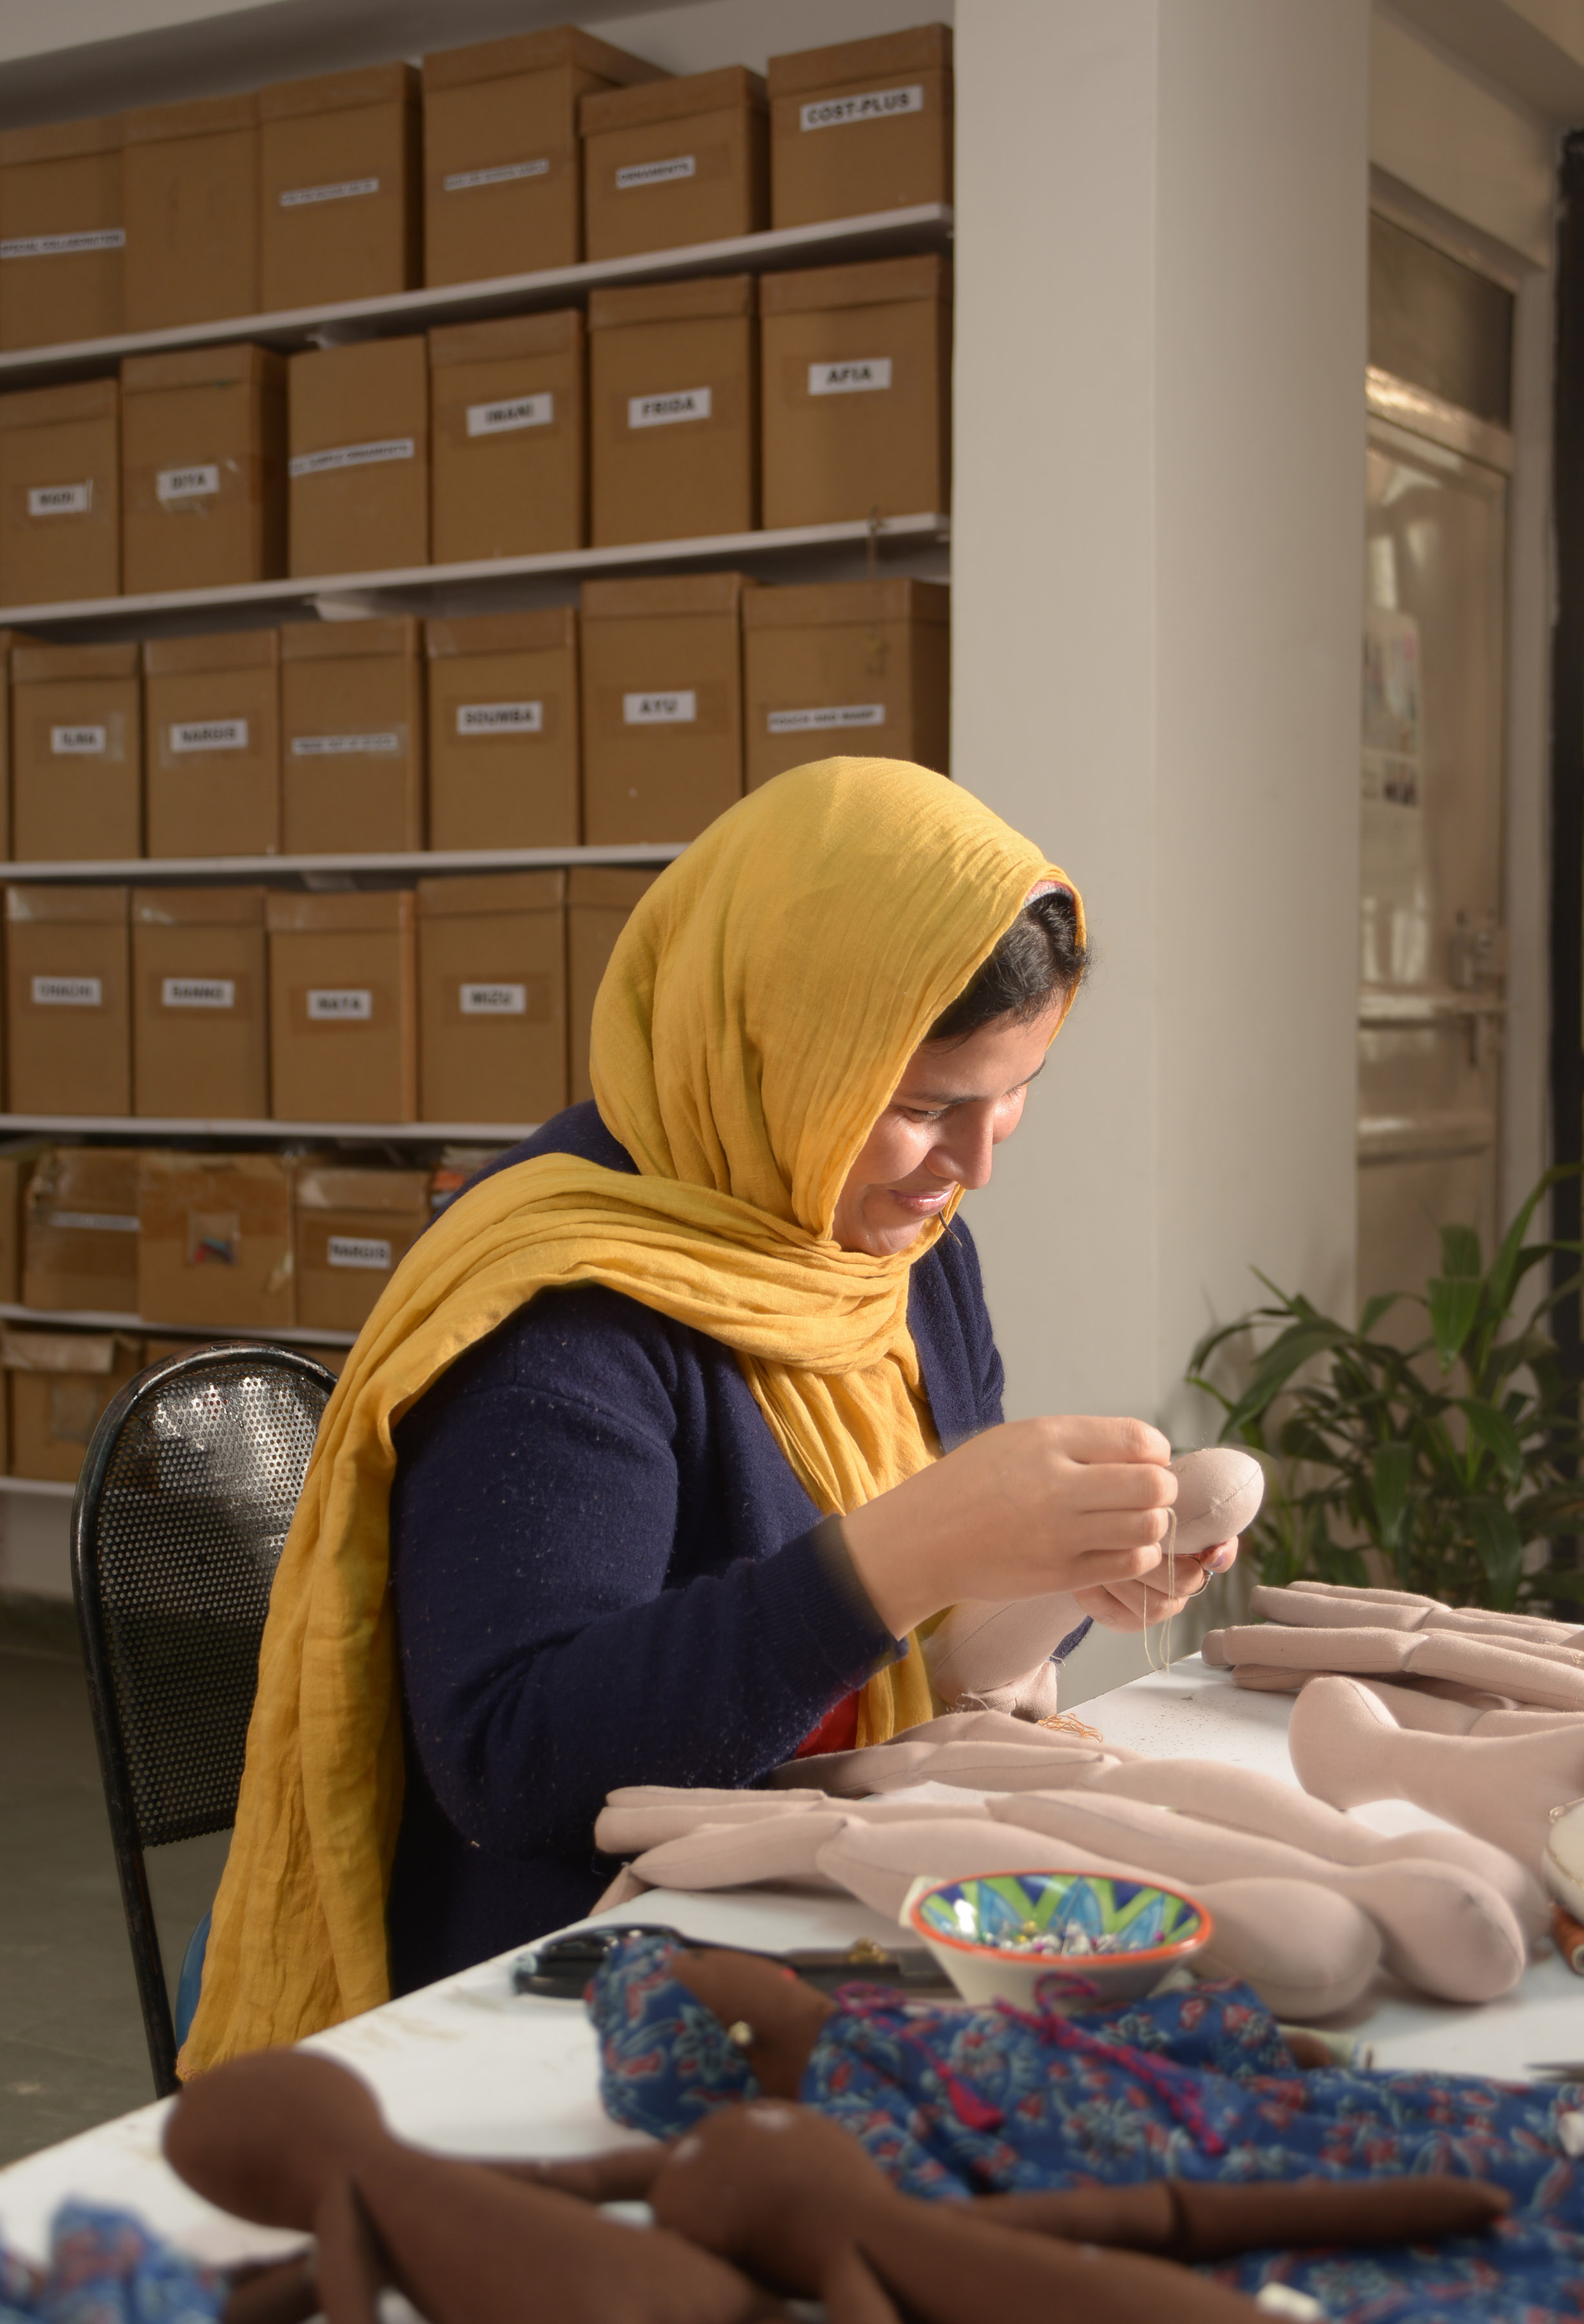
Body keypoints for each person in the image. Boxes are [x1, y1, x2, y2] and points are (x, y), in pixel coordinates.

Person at [182, 758, 1232, 2072]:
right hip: (574, 1988)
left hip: (823, 1892)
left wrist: (1064, 1561)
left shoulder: (896, 1253)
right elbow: (517, 1765)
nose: (976, 1159)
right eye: (921, 1107)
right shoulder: (565, 1311)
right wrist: (901, 1549)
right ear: (777, 1055)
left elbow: (920, 1659)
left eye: (1015, 1092)